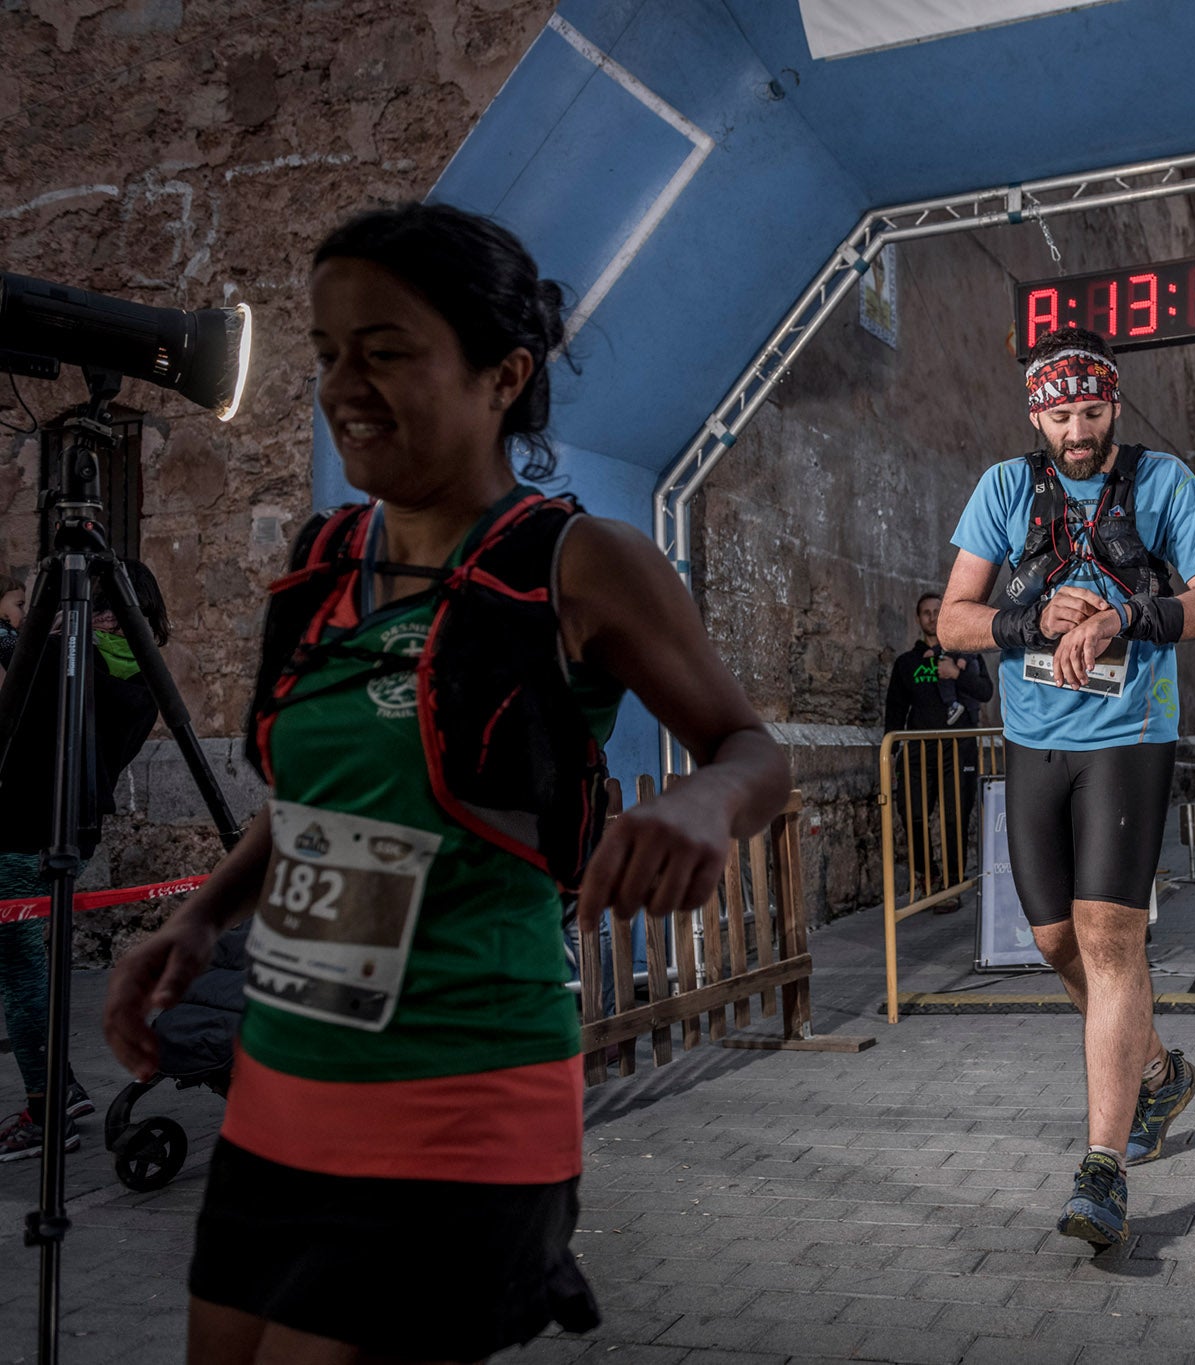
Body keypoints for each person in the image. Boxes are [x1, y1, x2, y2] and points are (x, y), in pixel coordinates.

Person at [102, 202, 790, 1364]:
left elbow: (749, 748)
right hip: (281, 1084)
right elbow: (323, 801)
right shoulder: (321, 563)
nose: (343, 385)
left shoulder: (577, 561)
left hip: (458, 1091)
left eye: (385, 349)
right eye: (326, 353)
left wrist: (697, 801)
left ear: (501, 375)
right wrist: (204, 915)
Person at [938, 326, 1195, 1248]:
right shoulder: (1004, 488)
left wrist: (1123, 614)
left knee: (1113, 940)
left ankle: (1103, 1169)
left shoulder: (1161, 483)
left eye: (1091, 409)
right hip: (1034, 740)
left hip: (1131, 734)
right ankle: (1159, 1075)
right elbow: (954, 619)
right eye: (1061, 412)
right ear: (1038, 411)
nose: (1078, 429)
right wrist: (1030, 616)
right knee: (1051, 938)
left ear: (1114, 402)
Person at [0, 559, 169, 1162]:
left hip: (19, 827)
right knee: (29, 965)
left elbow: (25, 673)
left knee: (21, 972)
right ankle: (61, 1088)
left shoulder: (63, 662)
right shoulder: (145, 679)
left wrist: (17, 625)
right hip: (73, 829)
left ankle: (46, 1107)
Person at [884, 590, 994, 907]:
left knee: (954, 818)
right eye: (926, 612)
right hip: (918, 751)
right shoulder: (907, 663)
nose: (932, 616)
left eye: (937, 610)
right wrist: (889, 757)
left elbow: (985, 691)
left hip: (958, 748)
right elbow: (895, 710)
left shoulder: (967, 655)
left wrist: (957, 674)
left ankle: (953, 884)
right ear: (918, 620)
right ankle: (928, 876)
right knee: (914, 816)